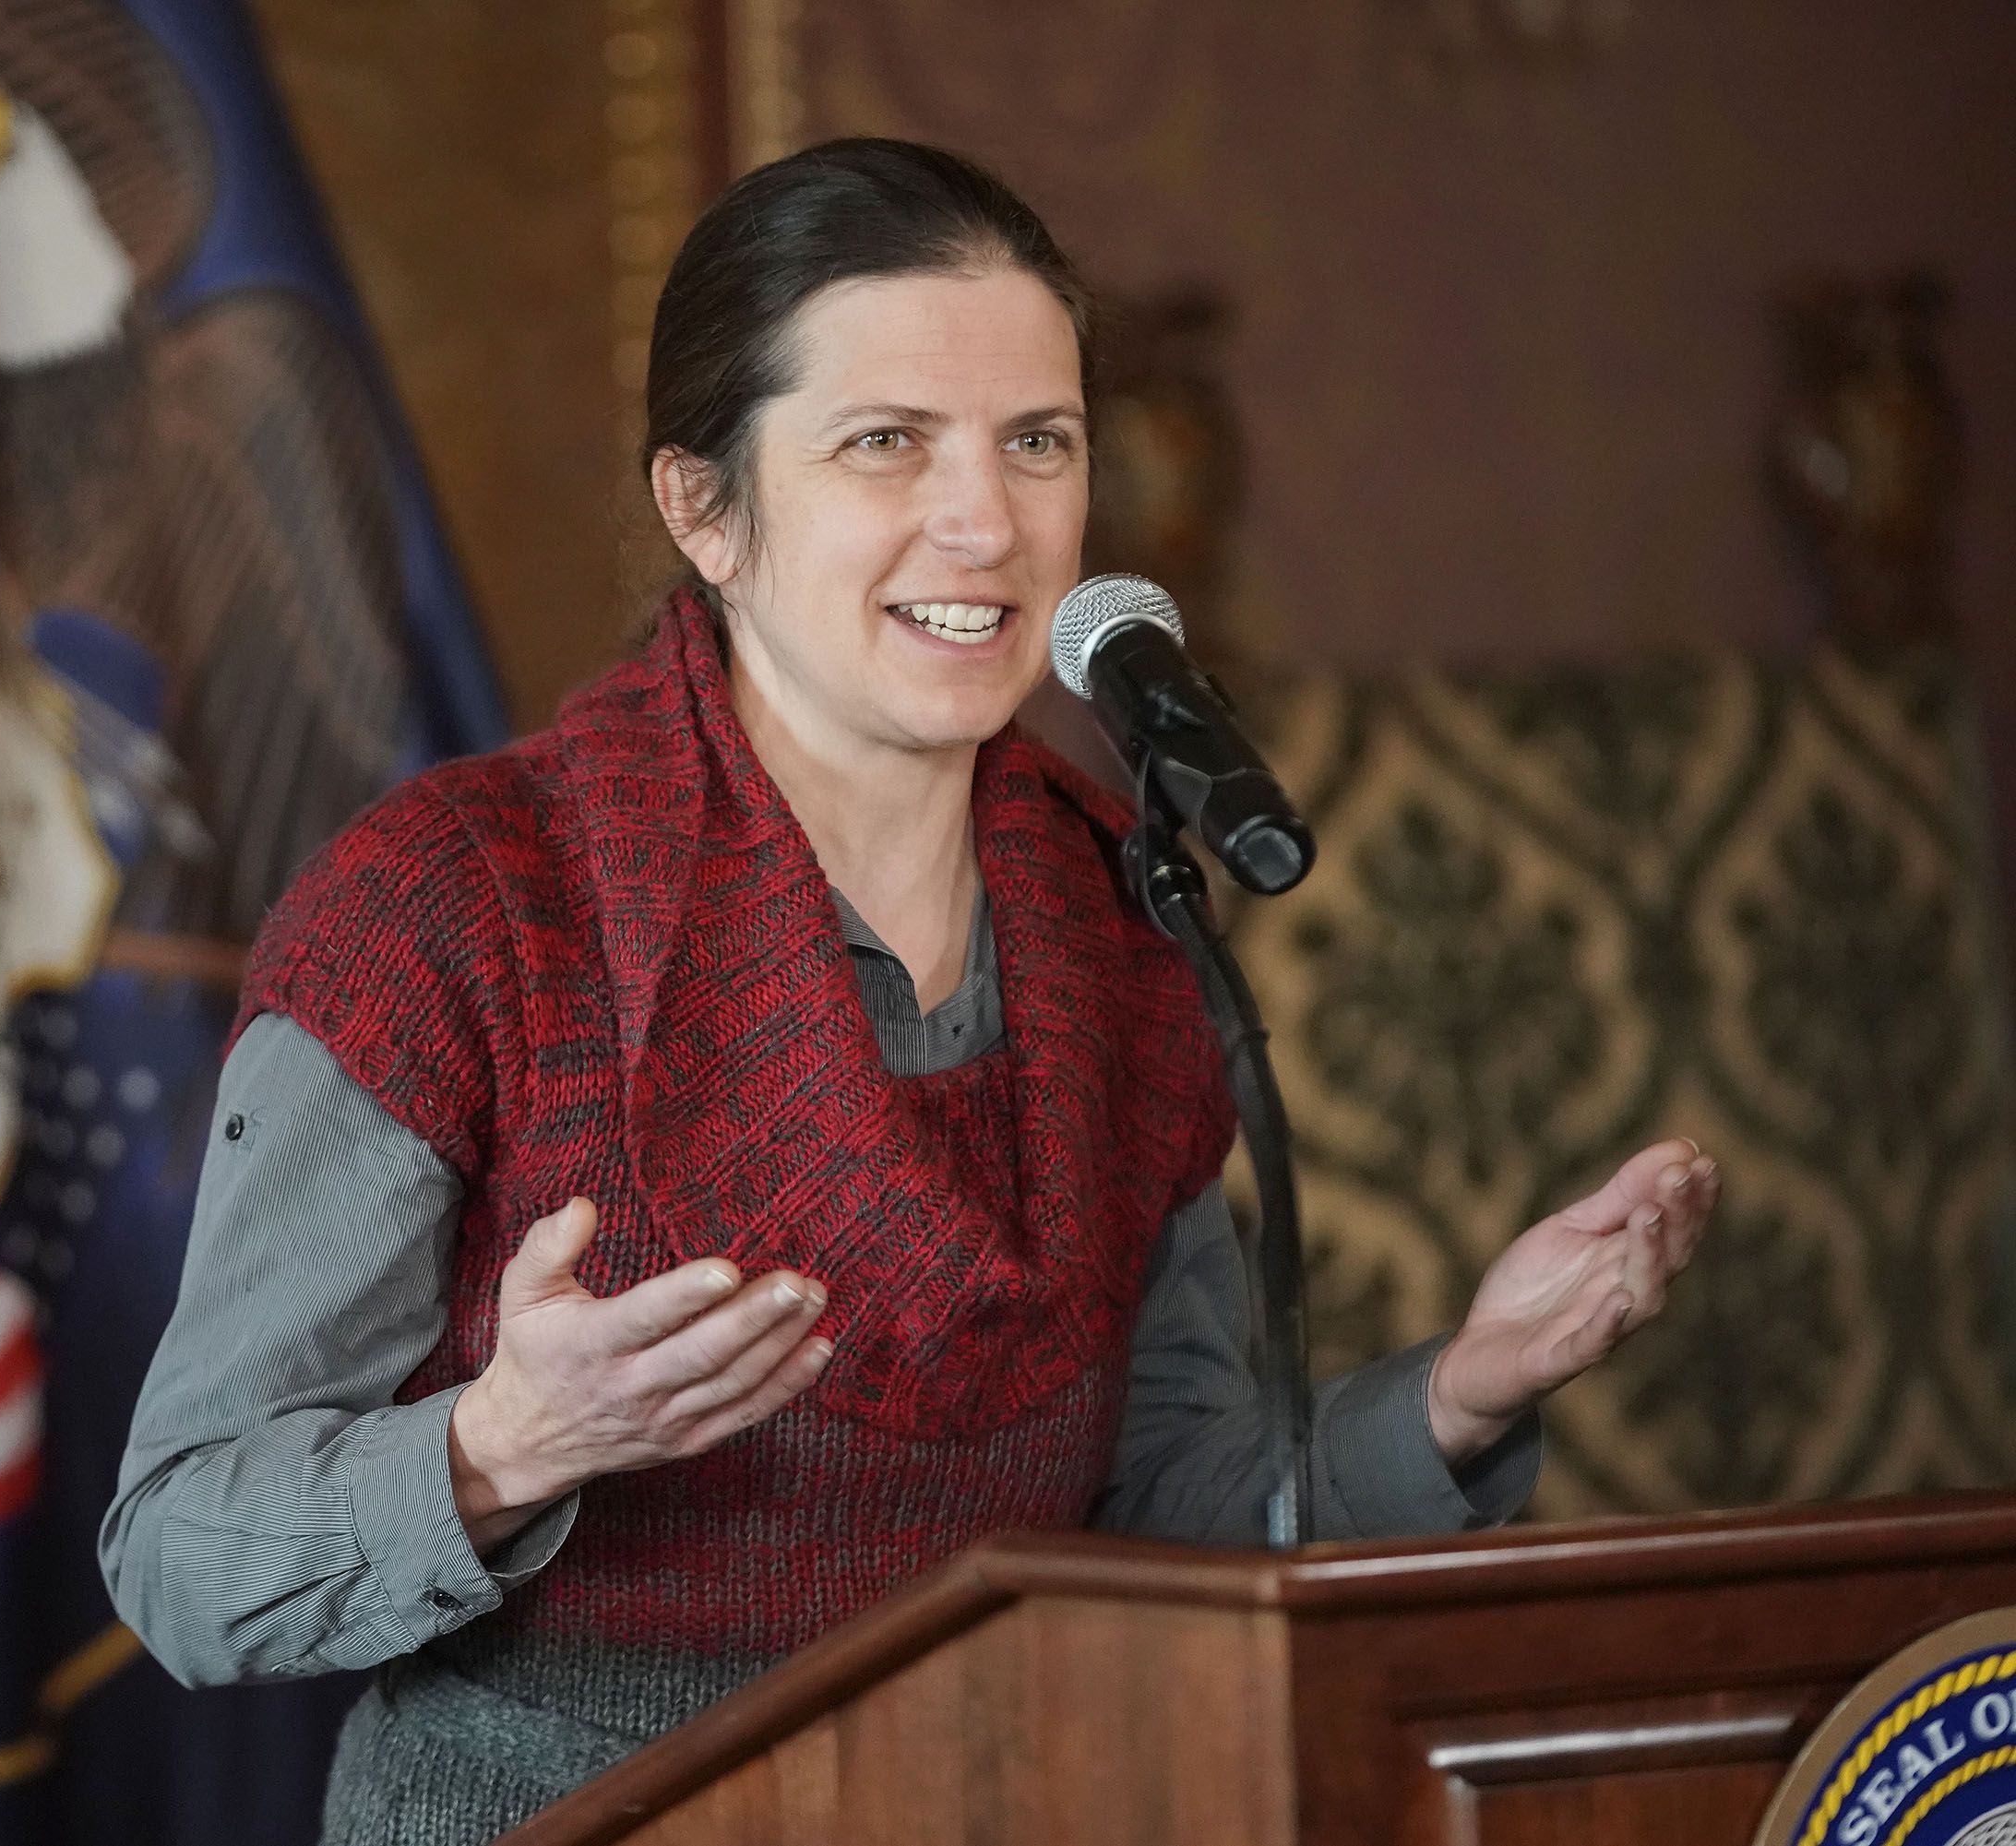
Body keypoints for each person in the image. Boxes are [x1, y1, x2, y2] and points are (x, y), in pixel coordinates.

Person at [99, 137, 1720, 1845]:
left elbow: (1154, 1510)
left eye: (1041, 442)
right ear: (704, 509)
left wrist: (1465, 1384)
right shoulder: (454, 911)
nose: (989, 522)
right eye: (888, 443)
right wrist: (499, 1442)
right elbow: (182, 1555)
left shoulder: (1118, 920)